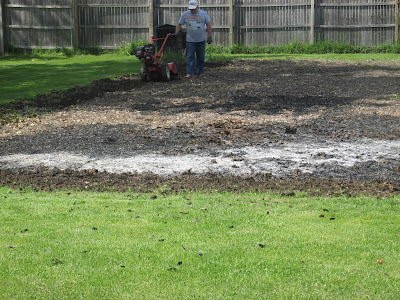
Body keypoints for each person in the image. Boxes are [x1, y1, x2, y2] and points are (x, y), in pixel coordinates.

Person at [175, 0, 212, 78]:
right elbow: (179, 24)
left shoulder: (203, 14)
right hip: (190, 40)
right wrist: (176, 33)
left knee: (201, 57)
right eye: (191, 8)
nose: (192, 10)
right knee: (190, 57)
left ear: (197, 6)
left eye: (193, 8)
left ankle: (200, 72)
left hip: (201, 40)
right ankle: (190, 73)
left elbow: (208, 25)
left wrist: (210, 36)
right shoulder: (185, 14)